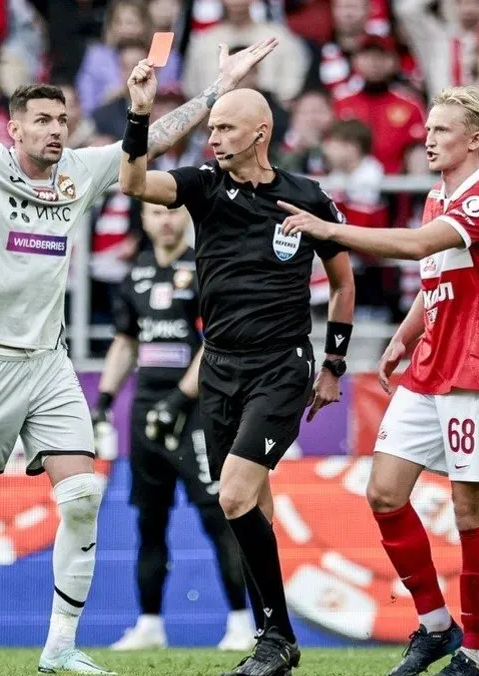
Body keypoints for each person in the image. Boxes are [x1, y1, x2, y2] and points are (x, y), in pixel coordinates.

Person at [0, 7, 278, 674]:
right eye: (42, 120)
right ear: (13, 128)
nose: (55, 129)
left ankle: (60, 646)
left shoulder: (80, 170)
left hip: (48, 363)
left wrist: (216, 90)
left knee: (82, 496)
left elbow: (152, 140)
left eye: (62, 120)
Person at [119, 65, 358, 676]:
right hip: (219, 370)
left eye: (225, 127)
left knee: (231, 496)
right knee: (255, 509)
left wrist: (334, 363)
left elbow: (342, 282)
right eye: (212, 128)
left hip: (281, 368)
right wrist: (140, 113)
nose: (214, 137)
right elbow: (132, 181)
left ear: (260, 133)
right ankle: (274, 641)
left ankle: (275, 638)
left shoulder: (307, 196)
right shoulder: (203, 184)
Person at [277, 86, 479, 676]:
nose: (428, 139)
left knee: (470, 514)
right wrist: (405, 336)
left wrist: (331, 230)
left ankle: (475, 656)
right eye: (428, 128)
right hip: (430, 365)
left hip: (477, 370)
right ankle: (436, 625)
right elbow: (437, 274)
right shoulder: (439, 196)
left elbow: (415, 248)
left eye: (441, 130)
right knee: (384, 492)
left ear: (475, 139)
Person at [95, 201, 256, 652]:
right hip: (147, 409)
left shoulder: (204, 267)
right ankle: (149, 625)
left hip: (197, 410)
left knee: (218, 514)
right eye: (154, 213)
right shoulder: (135, 273)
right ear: (143, 220)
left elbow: (217, 342)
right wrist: (104, 400)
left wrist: (179, 399)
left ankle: (241, 624)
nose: (164, 220)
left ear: (185, 215)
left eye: (171, 211)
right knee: (150, 520)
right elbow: (126, 342)